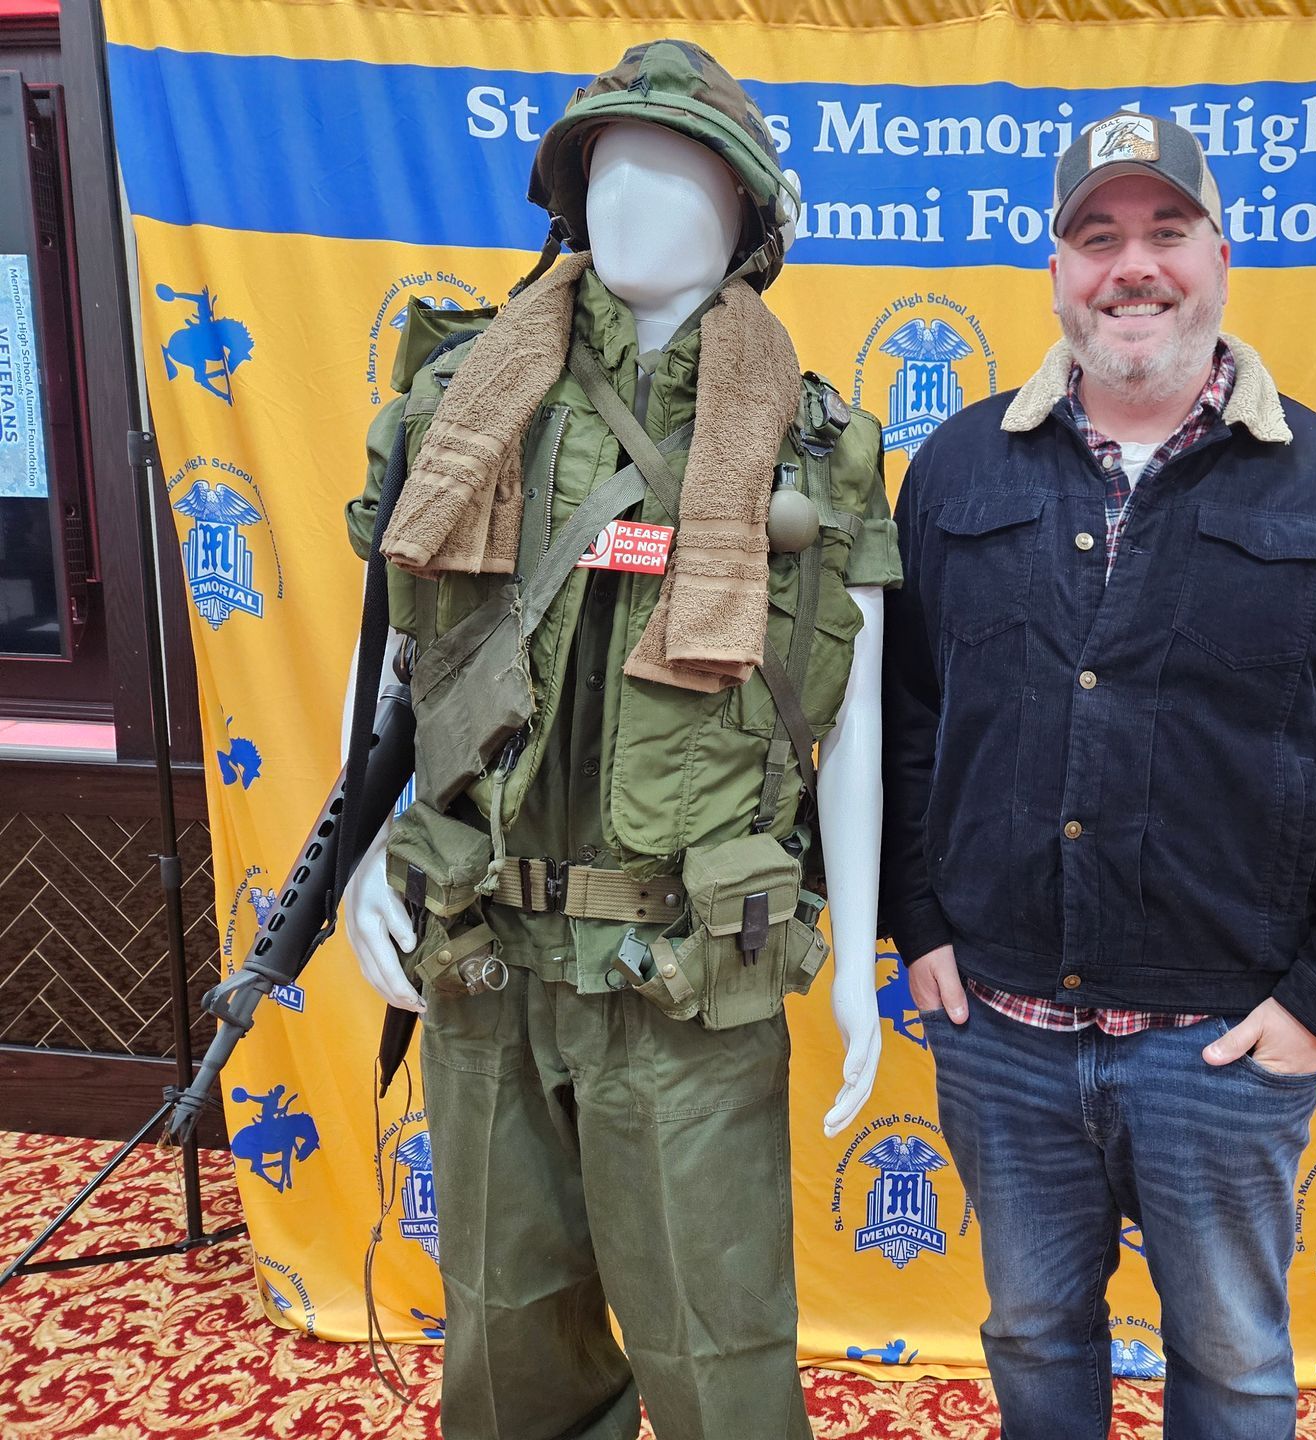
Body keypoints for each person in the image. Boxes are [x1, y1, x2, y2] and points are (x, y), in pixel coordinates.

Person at [340, 40, 899, 1440]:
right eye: (608, 165)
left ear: (750, 217)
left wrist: (857, 978)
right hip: (483, 952)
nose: (636, 196)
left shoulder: (817, 450)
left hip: (682, 980)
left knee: (718, 1361)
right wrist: (363, 860)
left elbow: (850, 722)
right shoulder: (462, 407)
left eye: (681, 166)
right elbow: (407, 660)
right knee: (505, 1339)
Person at [879, 111, 1316, 1440]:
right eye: (1098, 238)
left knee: (1235, 1363)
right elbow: (907, 719)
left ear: (1221, 253)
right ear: (1056, 268)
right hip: (1001, 1039)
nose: (1131, 268)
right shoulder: (957, 470)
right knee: (1031, 1333)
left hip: (1225, 1044)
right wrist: (916, 923)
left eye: (1165, 233)